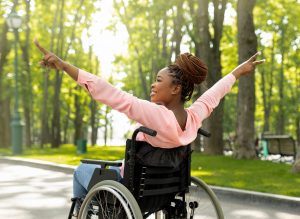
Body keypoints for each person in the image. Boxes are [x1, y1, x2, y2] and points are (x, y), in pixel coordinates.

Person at [34, 39, 264, 201]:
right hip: (164, 189)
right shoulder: (193, 119)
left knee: (80, 171)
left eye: (158, 80)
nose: (153, 85)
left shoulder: (157, 115)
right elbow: (213, 96)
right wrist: (237, 72)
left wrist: (65, 66)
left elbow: (112, 94)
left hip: (132, 187)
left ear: (175, 88)